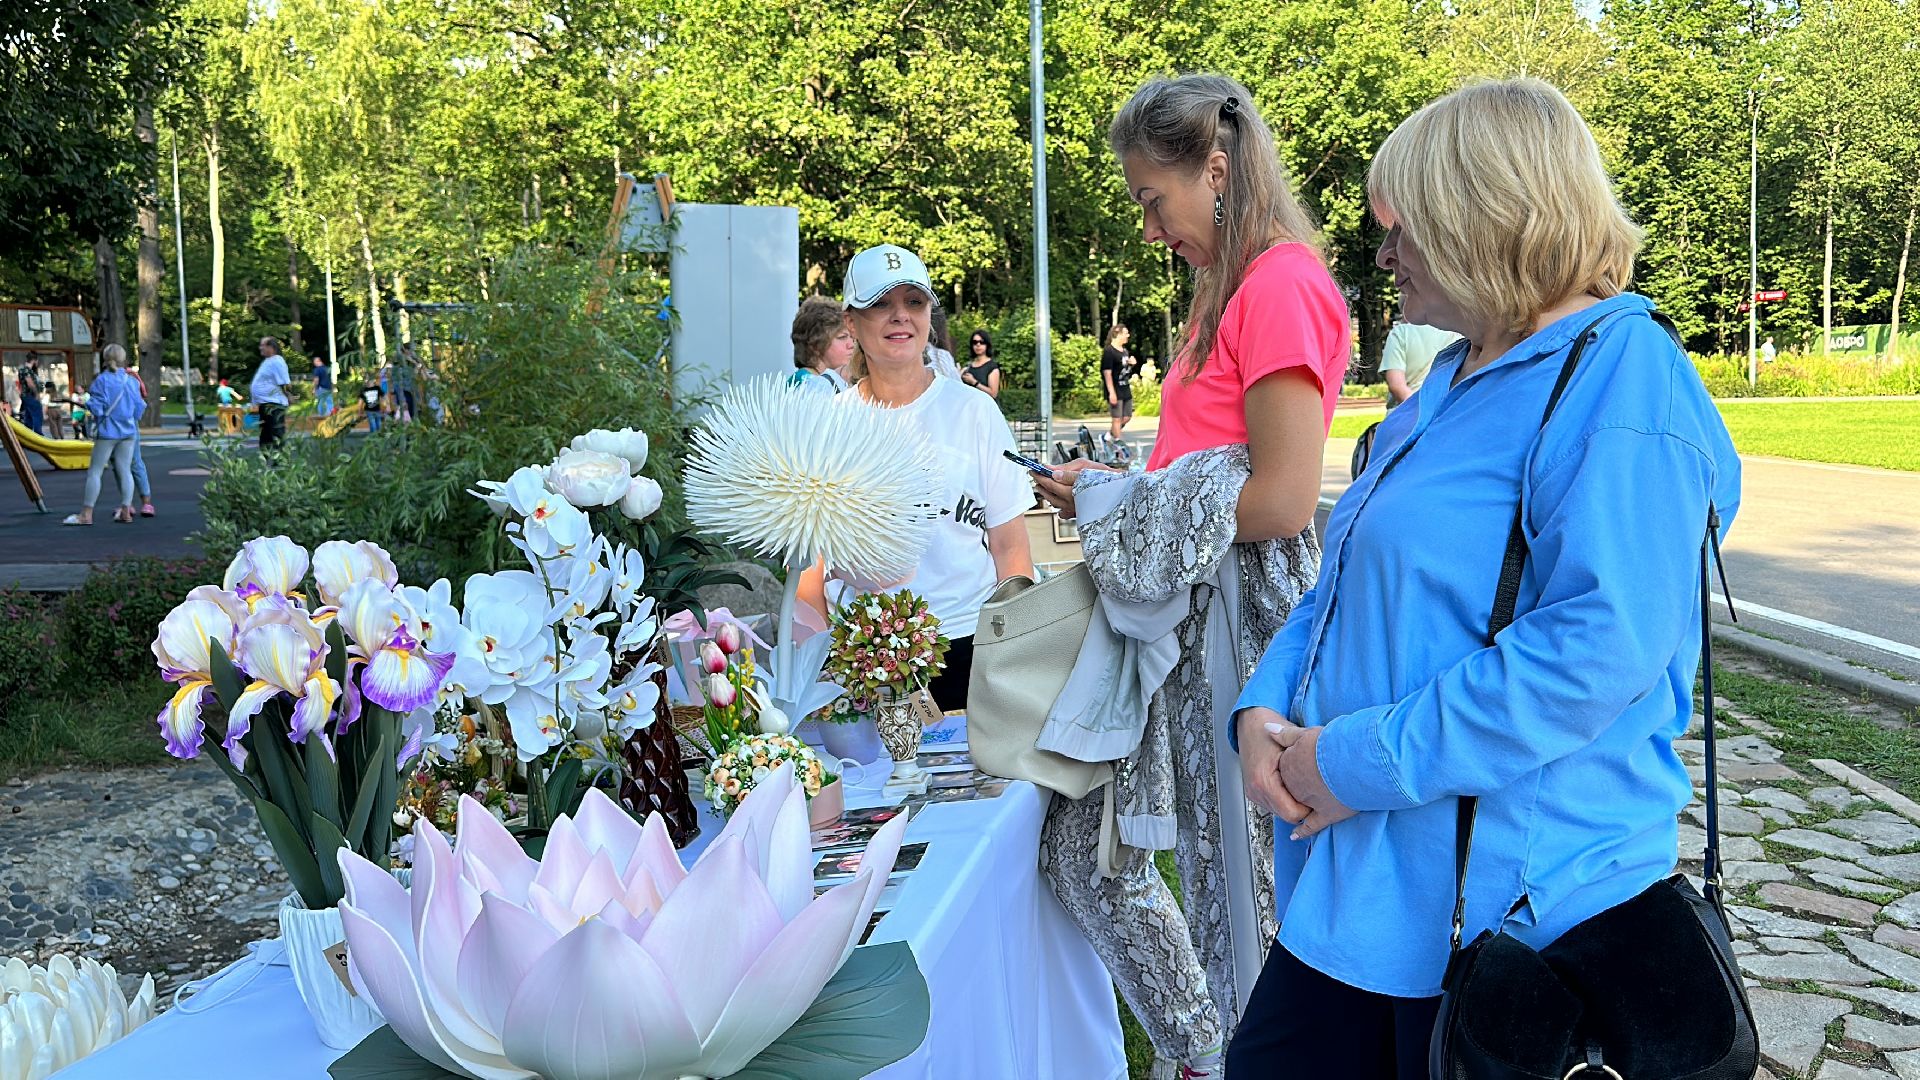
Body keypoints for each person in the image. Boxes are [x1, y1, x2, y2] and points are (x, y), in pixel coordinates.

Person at [1223, 79, 1742, 1077]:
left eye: (1401, 229)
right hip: (1352, 901)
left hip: (1511, 933)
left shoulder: (1620, 378)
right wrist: (1264, 704)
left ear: (1479, 216)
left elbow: (1596, 649)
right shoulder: (1450, 382)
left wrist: (1351, 762)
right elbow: (1344, 588)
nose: (1383, 258)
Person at [1031, 74, 1348, 1078]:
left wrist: (1126, 510)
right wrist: (1121, 484)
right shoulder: (1236, 289)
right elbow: (1208, 464)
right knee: (1101, 858)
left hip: (1235, 622)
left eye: (1149, 200)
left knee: (1239, 882)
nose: (1148, 225)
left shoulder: (1282, 284)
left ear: (1215, 170)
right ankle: (1208, 1048)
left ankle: (1231, 1052)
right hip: (1183, 611)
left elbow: (1286, 498)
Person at [797, 244, 1035, 710]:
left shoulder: (974, 411)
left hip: (967, 647)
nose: (899, 317)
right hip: (861, 659)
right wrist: (824, 664)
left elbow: (1011, 548)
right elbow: (811, 568)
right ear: (850, 321)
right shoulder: (825, 423)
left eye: (914, 302)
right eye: (880, 304)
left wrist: (1015, 654)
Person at [61, 345, 144, 526]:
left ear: (105, 359)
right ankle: (125, 510)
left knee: (95, 472)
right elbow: (139, 408)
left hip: (108, 431)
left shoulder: (101, 381)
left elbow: (97, 408)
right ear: (123, 359)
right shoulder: (132, 382)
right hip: (129, 431)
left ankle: (86, 514)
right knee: (125, 470)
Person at [1378, 317, 1459, 406]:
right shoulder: (1458, 334)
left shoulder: (1401, 332)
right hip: (1446, 411)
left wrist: (1419, 412)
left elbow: (1397, 386)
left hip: (1405, 411)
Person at [787, 296, 854, 395]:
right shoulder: (808, 384)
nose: (851, 345)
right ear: (815, 345)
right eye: (842, 337)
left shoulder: (825, 381)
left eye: (852, 338)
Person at [250, 337, 291, 450]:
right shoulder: (269, 361)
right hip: (265, 404)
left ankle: (280, 461)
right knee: (266, 433)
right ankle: (266, 459)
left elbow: (285, 383)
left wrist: (289, 396)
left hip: (274, 405)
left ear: (271, 347)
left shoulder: (277, 361)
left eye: (262, 345)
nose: (260, 348)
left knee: (276, 432)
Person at [1100, 325, 1136, 443]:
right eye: (1125, 333)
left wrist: (1132, 364)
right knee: (1116, 419)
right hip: (1115, 389)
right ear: (1117, 334)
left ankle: (1109, 436)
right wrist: (1111, 393)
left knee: (1127, 417)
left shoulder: (1125, 351)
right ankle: (1118, 449)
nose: (1128, 335)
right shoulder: (1109, 351)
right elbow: (1107, 373)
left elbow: (1124, 370)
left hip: (1125, 388)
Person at [959, 330, 1001, 399]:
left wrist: (974, 382)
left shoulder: (992, 367)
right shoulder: (968, 366)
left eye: (982, 342)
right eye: (975, 342)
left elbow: (993, 394)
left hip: (986, 408)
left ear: (987, 344)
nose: (978, 345)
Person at [17, 356, 44, 435]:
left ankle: (28, 436)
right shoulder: (27, 370)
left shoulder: (22, 370)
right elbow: (29, 382)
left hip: (25, 396)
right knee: (37, 414)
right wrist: (36, 394)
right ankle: (38, 435)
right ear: (34, 361)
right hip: (30, 395)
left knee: (28, 416)